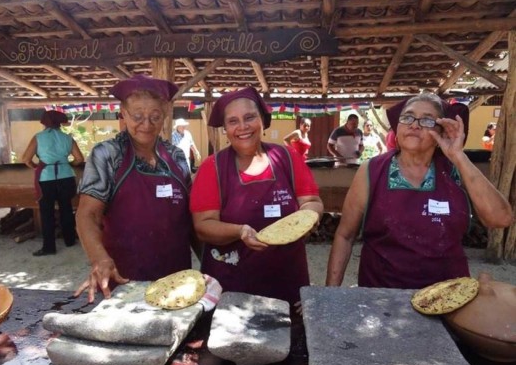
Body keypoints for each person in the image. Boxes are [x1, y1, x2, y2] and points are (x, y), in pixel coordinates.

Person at [326, 92, 513, 289]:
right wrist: (330, 293)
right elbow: (345, 236)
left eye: (427, 120)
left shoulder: (455, 170)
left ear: (441, 132)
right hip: (381, 298)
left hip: (447, 297)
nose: (414, 124)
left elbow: (500, 219)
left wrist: (458, 156)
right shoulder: (372, 170)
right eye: (407, 117)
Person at [190, 87, 324, 307]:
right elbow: (203, 226)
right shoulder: (212, 167)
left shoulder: (286, 157)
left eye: (249, 117)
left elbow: (313, 202)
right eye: (233, 121)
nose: (242, 127)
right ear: (225, 128)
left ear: (263, 120)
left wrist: (307, 217)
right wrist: (239, 231)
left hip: (286, 281)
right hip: (230, 287)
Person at [74, 75, 195, 303]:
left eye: (155, 116)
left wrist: (211, 264)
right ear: (124, 114)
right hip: (123, 279)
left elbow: (192, 218)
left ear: (166, 115)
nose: (146, 124)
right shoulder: (107, 155)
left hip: (175, 279)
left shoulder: (177, 157)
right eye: (138, 116)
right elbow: (87, 214)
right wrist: (99, 259)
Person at [21, 111, 84, 256]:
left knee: (47, 213)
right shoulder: (67, 138)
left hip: (46, 178)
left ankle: (49, 247)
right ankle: (69, 241)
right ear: (59, 122)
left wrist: (37, 167)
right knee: (66, 209)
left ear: (44, 122)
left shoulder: (38, 137)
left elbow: (26, 159)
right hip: (66, 176)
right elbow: (79, 158)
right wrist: (67, 164)